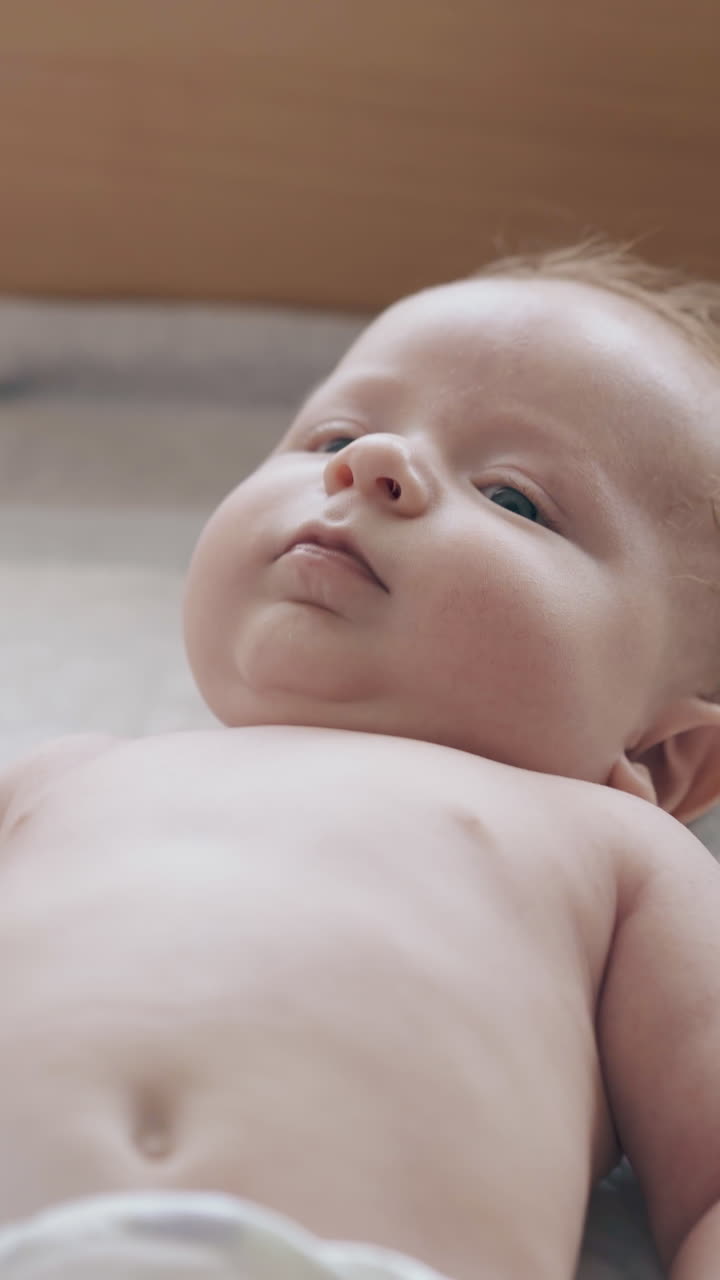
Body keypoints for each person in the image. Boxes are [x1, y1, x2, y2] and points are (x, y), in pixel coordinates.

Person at [1, 236, 720, 1280]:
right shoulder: (59, 774)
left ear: (661, 756)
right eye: (336, 431)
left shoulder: (617, 849)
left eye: (516, 497)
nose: (372, 463)